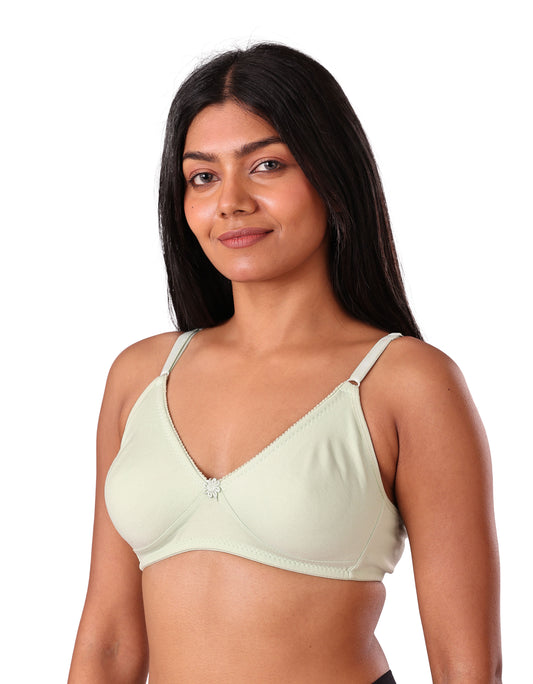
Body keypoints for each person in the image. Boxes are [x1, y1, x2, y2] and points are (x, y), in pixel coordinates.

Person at [68, 43, 501, 683]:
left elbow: (468, 668)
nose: (231, 202)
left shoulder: (405, 382)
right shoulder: (141, 377)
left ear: (331, 174)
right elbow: (107, 644)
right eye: (203, 177)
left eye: (267, 165)